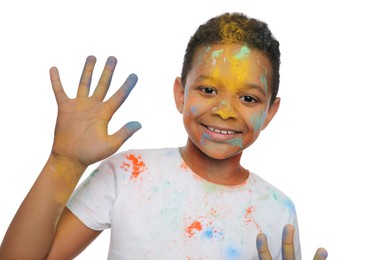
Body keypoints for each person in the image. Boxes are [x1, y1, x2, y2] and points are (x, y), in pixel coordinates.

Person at [0, 13, 327, 259]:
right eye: (209, 89)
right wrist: (64, 163)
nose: (225, 111)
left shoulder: (277, 211)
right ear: (180, 94)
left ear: (269, 112)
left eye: (249, 99)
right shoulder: (129, 173)